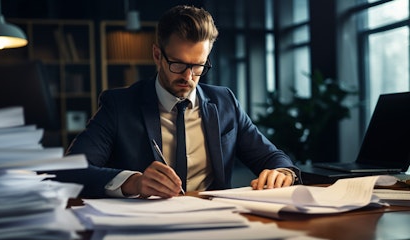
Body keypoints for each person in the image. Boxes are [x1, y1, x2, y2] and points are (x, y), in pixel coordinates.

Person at [58, 5, 301, 198]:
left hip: (215, 224)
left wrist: (282, 172)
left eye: (198, 66)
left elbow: (273, 157)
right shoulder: (119, 105)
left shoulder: (225, 101)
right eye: (178, 64)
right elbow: (71, 171)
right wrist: (134, 182)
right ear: (157, 55)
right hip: (144, 227)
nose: (188, 76)